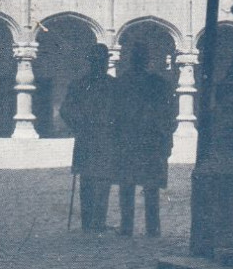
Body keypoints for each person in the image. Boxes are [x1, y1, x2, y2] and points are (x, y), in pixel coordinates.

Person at [114, 41, 177, 237]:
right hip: (151, 141)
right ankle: (153, 227)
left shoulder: (121, 83)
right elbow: (170, 113)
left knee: (127, 186)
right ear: (147, 60)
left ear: (131, 60)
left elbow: (114, 116)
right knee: (151, 188)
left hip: (129, 141)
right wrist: (166, 137)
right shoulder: (159, 83)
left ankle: (126, 227)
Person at [60, 43, 117, 232]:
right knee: (96, 180)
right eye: (98, 61)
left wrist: (79, 126)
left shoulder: (110, 85)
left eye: (101, 61)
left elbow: (66, 111)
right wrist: (79, 124)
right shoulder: (84, 85)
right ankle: (93, 223)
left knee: (94, 180)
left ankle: (91, 222)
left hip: (95, 138)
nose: (100, 64)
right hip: (97, 137)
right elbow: (66, 110)